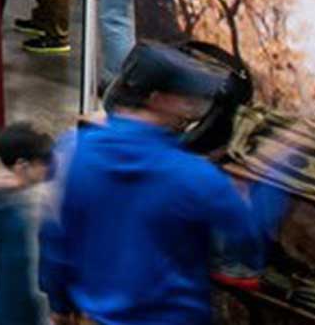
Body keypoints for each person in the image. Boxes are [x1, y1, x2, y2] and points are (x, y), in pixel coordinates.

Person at [40, 44, 285, 325]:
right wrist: (275, 172)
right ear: (158, 99)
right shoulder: (192, 176)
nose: (190, 104)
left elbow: (55, 239)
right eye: (183, 95)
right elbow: (246, 239)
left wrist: (58, 304)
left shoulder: (72, 151)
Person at [0, 124, 56, 325]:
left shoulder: (0, 198)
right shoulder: (14, 206)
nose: (47, 168)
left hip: (15, 304)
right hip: (17, 307)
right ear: (22, 165)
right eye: (42, 163)